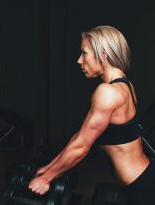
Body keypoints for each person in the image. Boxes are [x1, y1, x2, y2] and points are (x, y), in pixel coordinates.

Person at [28, 25, 153, 205]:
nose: (79, 60)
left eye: (84, 53)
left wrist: (46, 179)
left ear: (103, 55)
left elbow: (82, 146)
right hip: (142, 178)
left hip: (142, 187)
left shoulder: (107, 92)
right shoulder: (125, 85)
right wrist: (50, 168)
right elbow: (80, 137)